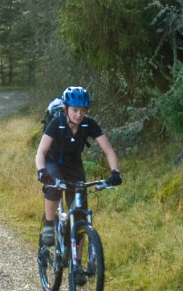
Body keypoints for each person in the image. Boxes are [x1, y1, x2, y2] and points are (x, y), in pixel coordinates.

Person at [34, 86, 122, 246]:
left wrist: (115, 172)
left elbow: (108, 150)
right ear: (65, 108)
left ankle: (77, 267)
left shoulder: (89, 124)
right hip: (52, 162)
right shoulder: (57, 123)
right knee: (55, 186)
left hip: (74, 166)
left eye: (83, 110)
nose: (79, 114)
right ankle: (48, 222)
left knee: (80, 217)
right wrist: (42, 171)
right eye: (74, 110)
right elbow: (41, 152)